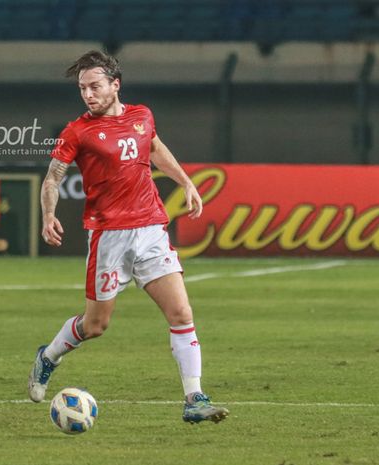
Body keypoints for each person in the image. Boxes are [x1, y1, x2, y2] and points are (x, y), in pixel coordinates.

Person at [28, 50, 229, 424]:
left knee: (181, 312)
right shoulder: (78, 131)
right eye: (82, 88)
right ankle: (49, 356)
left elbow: (153, 147)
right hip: (109, 237)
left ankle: (195, 398)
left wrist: (185, 182)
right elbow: (53, 177)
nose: (88, 94)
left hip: (151, 229)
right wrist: (49, 214)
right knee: (95, 326)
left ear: (115, 85)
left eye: (95, 86)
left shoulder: (142, 116)